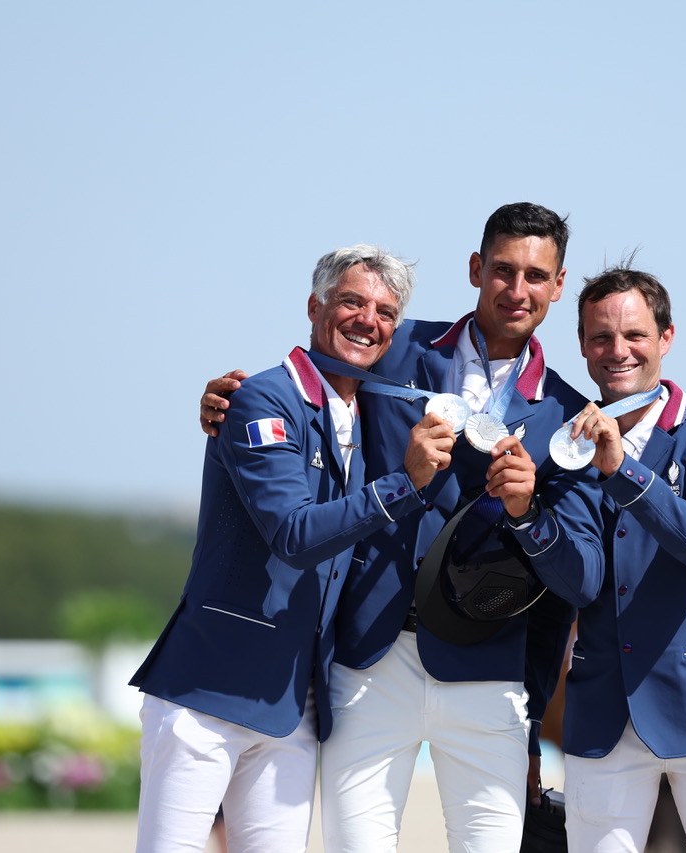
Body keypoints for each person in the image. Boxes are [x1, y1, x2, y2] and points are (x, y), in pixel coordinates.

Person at [200, 203, 604, 853]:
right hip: (367, 660)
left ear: (558, 286)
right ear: (476, 268)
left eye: (536, 275)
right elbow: (302, 391)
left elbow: (580, 580)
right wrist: (233, 397)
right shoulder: (395, 347)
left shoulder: (569, 415)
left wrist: (531, 513)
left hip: (488, 672)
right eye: (503, 269)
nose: (517, 289)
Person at [131, 245, 452, 853]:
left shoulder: (371, 411)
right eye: (352, 301)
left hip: (295, 708)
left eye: (385, 312)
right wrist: (406, 483)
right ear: (314, 306)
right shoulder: (258, 398)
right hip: (210, 691)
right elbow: (295, 535)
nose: (368, 320)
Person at [558, 265, 686, 852]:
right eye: (600, 337)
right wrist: (527, 518)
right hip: (603, 717)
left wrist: (621, 469)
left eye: (634, 335)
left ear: (666, 338)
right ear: (581, 345)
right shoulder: (564, 444)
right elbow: (579, 582)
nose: (617, 351)